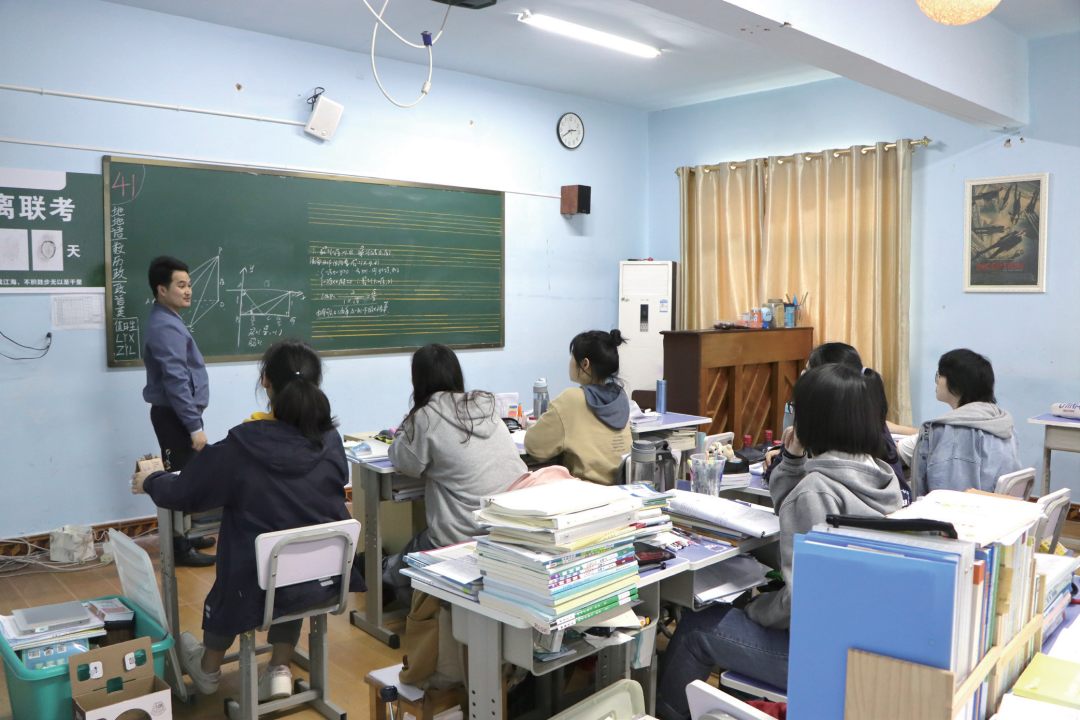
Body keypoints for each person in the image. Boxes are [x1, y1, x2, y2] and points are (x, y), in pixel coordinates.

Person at [656, 364, 905, 720]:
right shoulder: (881, 476)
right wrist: (793, 460)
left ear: (812, 420)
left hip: (818, 660)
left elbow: (800, 600)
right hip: (867, 649)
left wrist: (756, 608)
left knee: (698, 627)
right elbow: (793, 503)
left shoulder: (815, 492)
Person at [131, 339, 364, 703]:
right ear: (315, 383)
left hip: (249, 588)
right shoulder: (330, 440)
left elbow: (186, 491)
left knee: (244, 568)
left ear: (266, 381)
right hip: (319, 582)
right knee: (289, 560)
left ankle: (208, 669)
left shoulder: (244, 444)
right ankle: (279, 668)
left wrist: (151, 480)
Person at [384, 343, 527, 606]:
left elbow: (404, 462)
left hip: (462, 535)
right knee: (406, 563)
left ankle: (384, 577)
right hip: (508, 529)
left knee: (402, 564)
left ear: (418, 380)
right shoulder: (486, 407)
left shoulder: (426, 417)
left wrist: (405, 429)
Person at [762, 342, 912, 504]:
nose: (802, 374)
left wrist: (791, 456)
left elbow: (784, 493)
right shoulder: (868, 422)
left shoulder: (818, 485)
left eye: (807, 371)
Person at [143, 255, 215, 567]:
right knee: (179, 478)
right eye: (181, 285)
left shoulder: (168, 319)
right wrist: (194, 426)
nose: (188, 291)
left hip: (179, 414)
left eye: (189, 285)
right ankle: (180, 548)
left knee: (191, 474)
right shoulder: (164, 325)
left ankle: (189, 536)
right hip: (175, 416)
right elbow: (175, 379)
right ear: (162, 289)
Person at [897, 349, 1021, 495]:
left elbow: (947, 495)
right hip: (998, 504)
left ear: (956, 382)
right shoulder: (1001, 423)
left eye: (939, 376)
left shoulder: (955, 433)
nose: (936, 381)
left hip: (965, 506)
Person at [524, 329, 633, 484]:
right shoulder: (621, 396)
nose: (570, 362)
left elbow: (535, 447)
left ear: (585, 364)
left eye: (572, 357)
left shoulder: (571, 399)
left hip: (586, 492)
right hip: (621, 490)